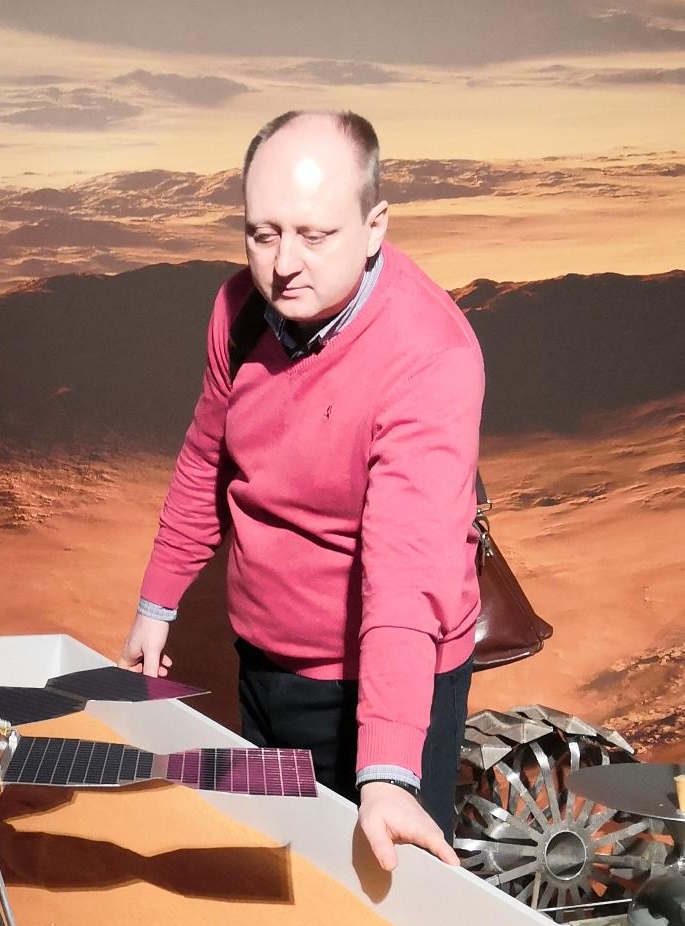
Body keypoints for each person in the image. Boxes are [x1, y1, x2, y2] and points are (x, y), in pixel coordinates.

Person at [121, 109, 482, 872]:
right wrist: (158, 602)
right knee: (277, 872)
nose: (284, 263)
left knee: (379, 905)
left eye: (315, 235)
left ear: (375, 226)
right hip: (262, 660)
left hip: (380, 680)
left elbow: (405, 573)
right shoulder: (239, 311)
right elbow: (207, 456)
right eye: (264, 234)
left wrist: (388, 772)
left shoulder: (431, 356)